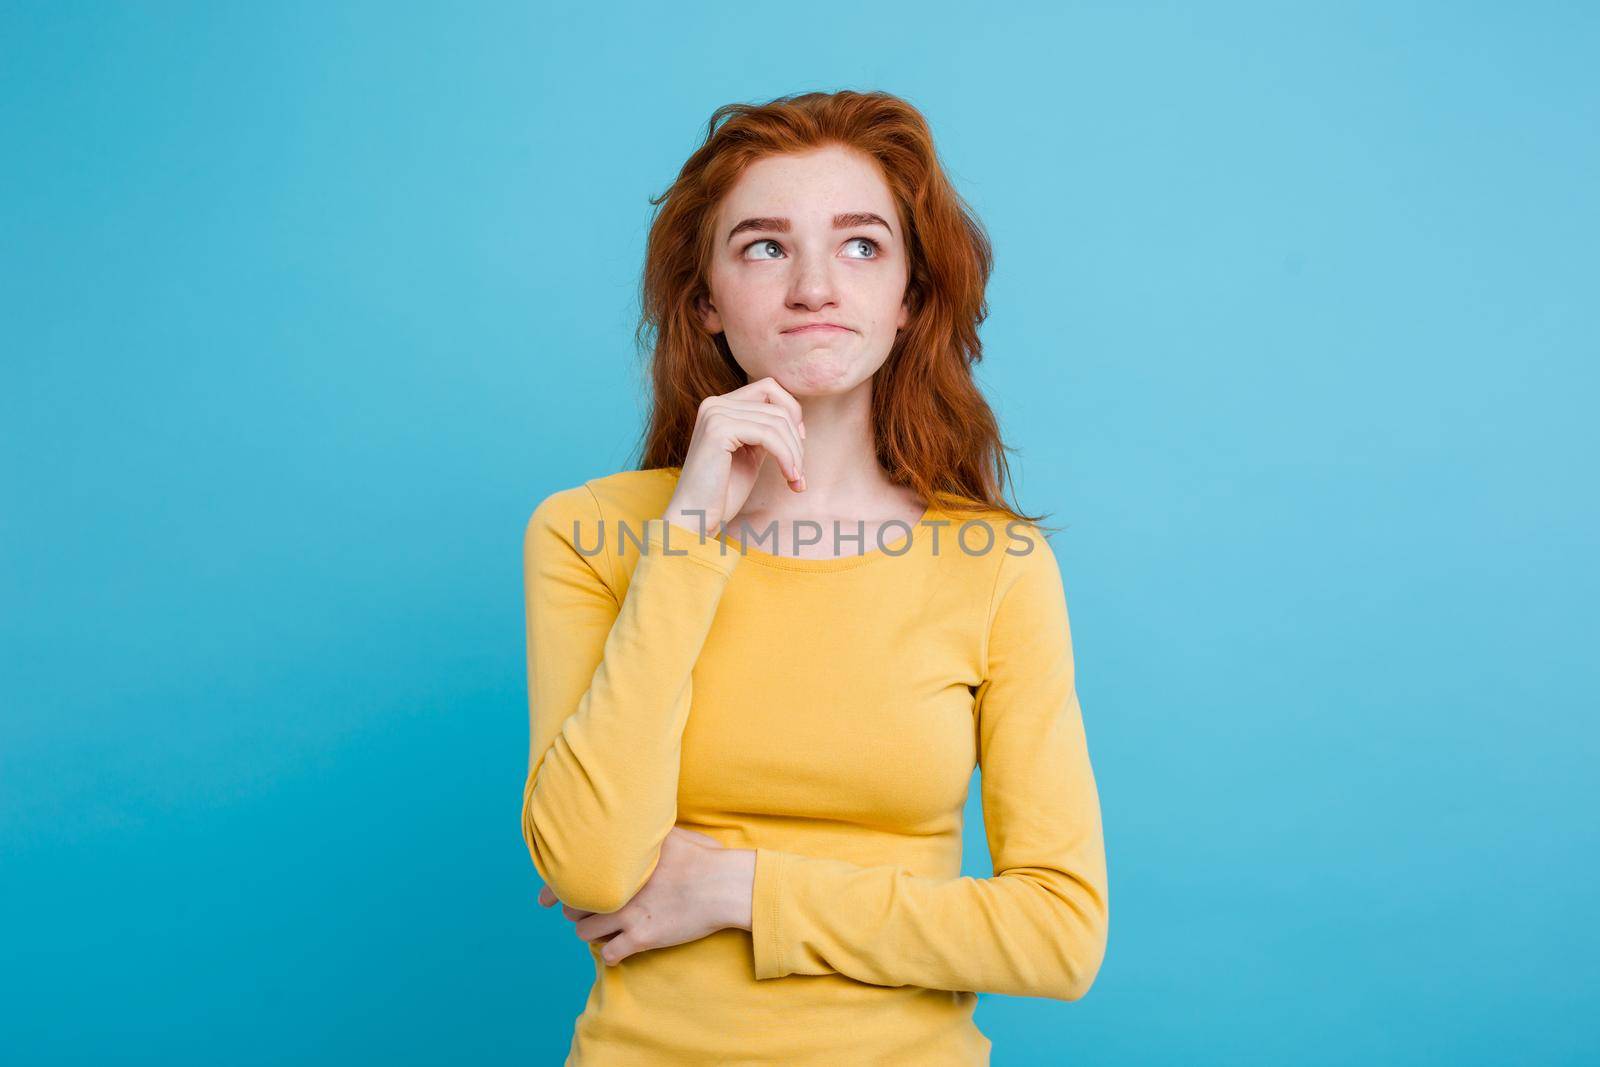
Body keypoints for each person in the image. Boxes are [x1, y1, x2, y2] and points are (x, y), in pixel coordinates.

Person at [520, 89, 1109, 1066]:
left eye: (860, 245)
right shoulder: (589, 533)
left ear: (910, 295)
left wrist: (737, 888)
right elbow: (587, 859)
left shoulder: (998, 568)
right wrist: (690, 534)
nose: (814, 288)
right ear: (704, 298)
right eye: (763, 245)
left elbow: (1057, 932)